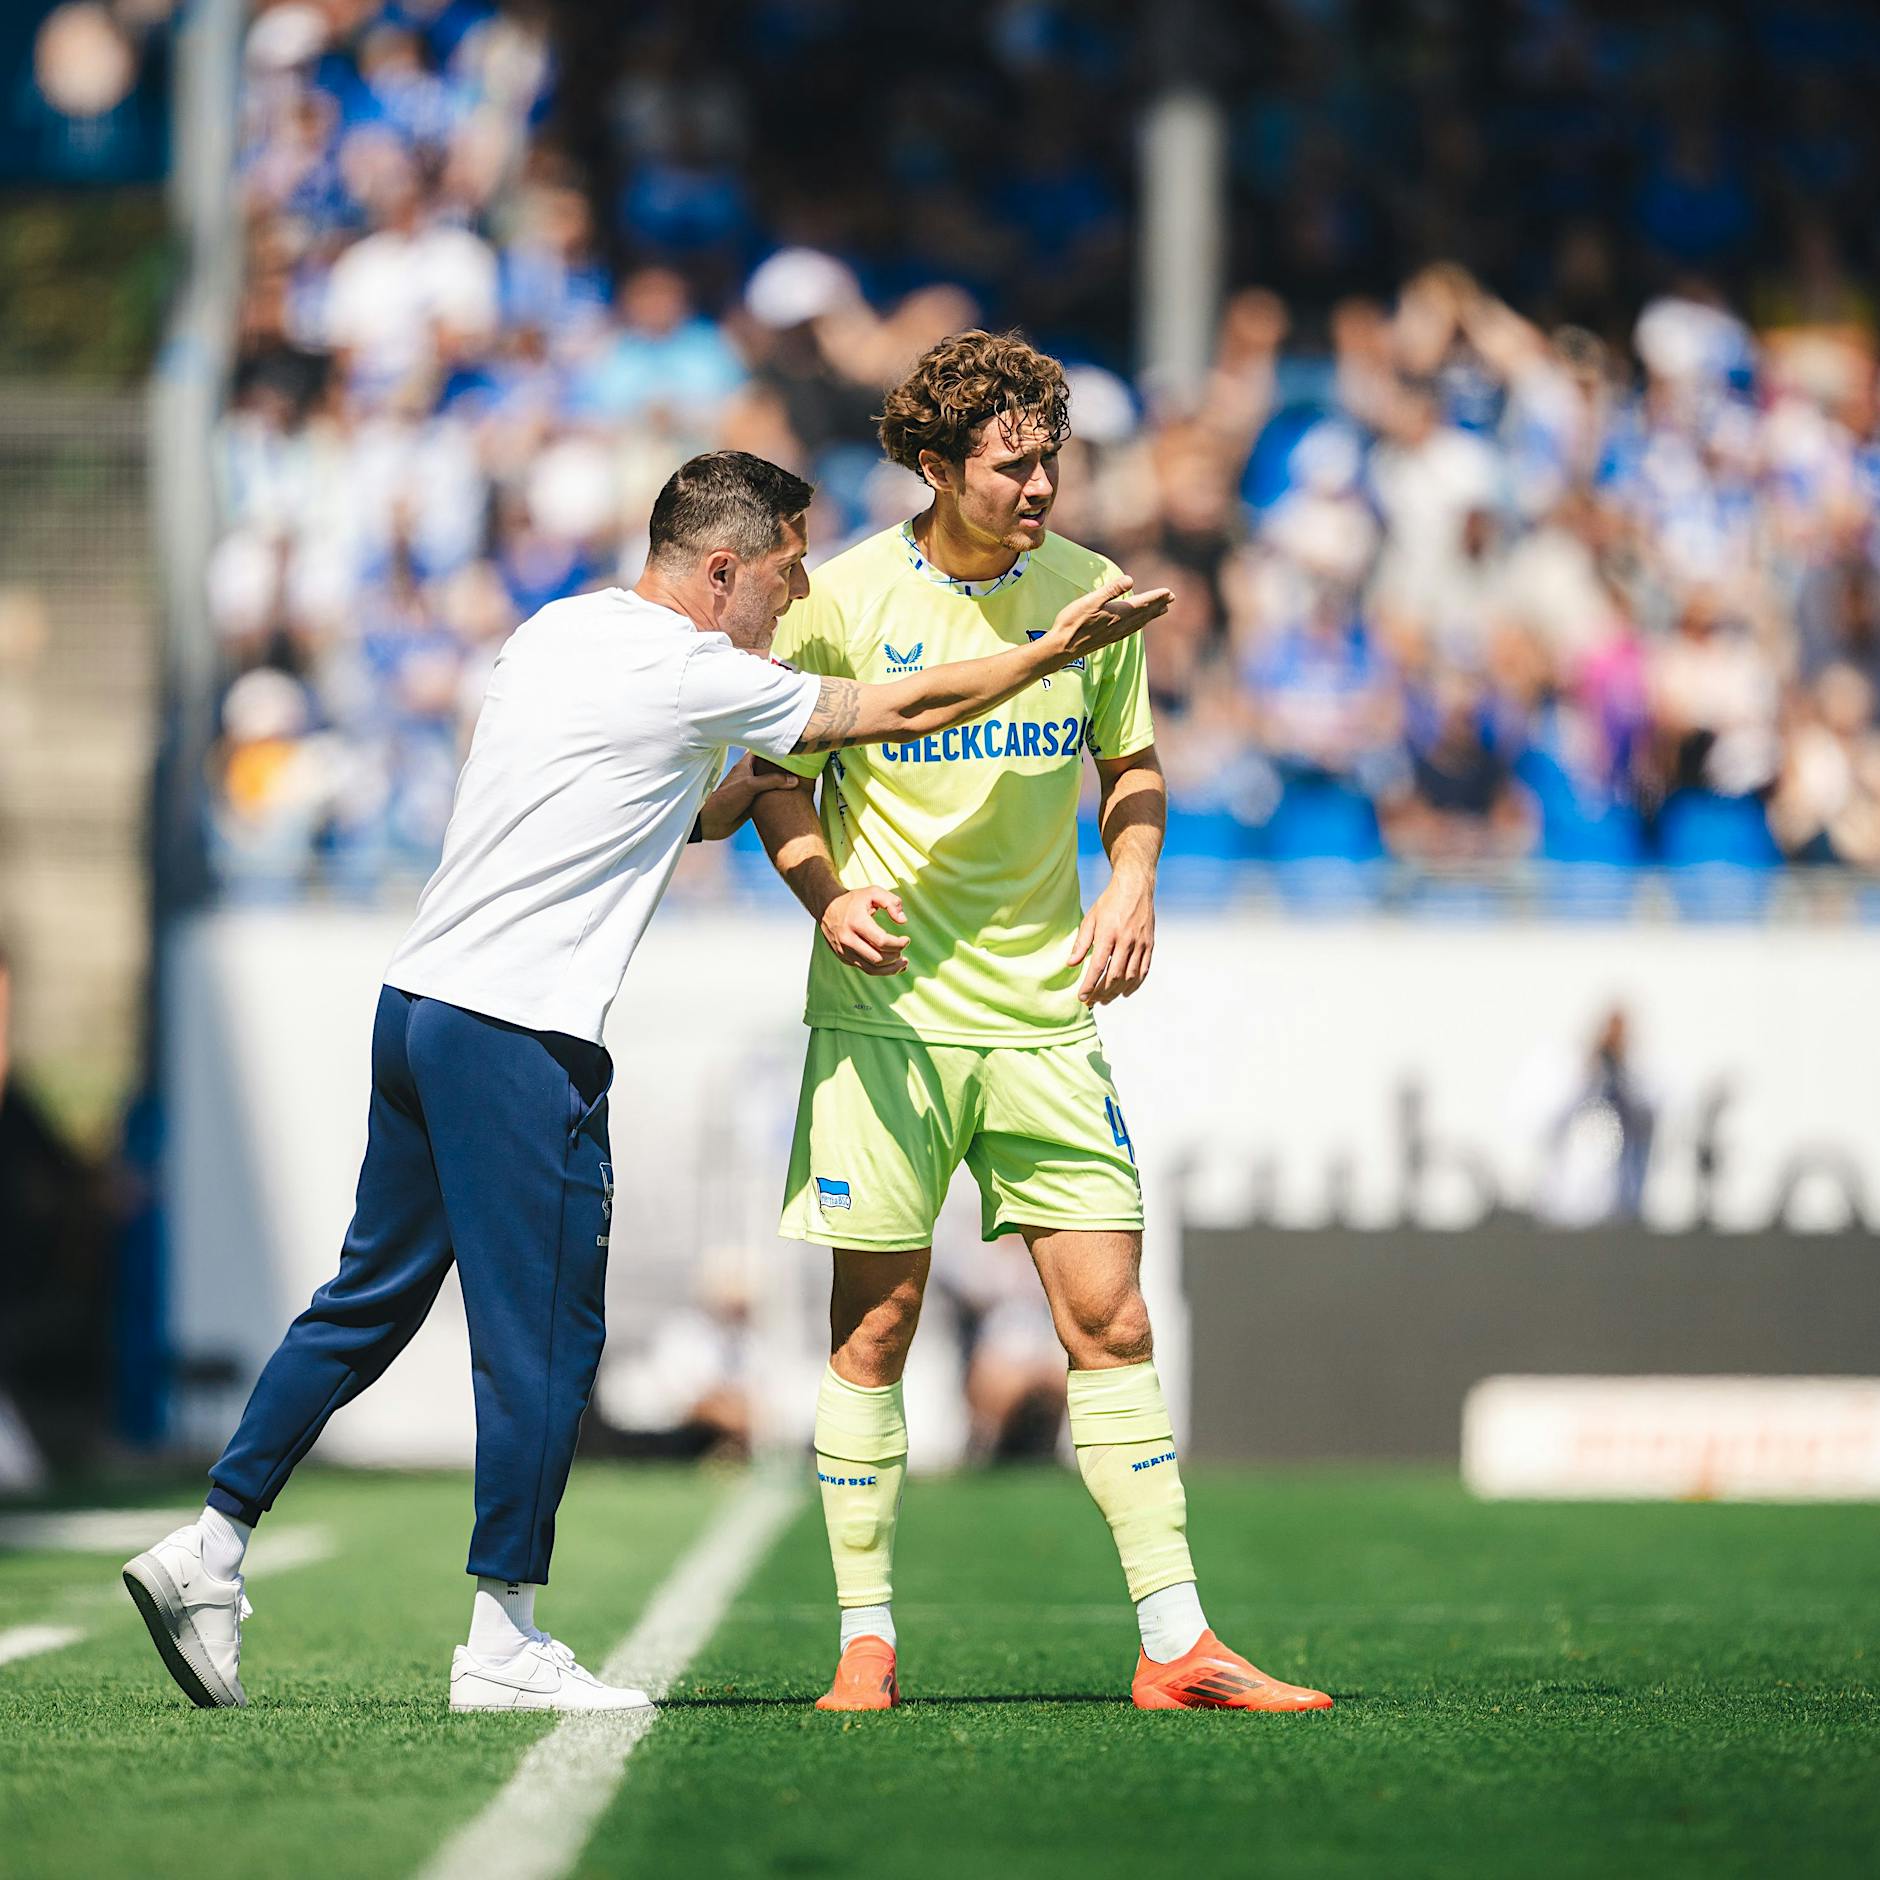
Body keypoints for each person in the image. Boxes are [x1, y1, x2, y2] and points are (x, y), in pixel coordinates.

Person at [123, 449, 1168, 1714]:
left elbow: (699, 805)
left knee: (366, 1299)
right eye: (781, 574)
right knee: (546, 1341)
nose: (791, 600)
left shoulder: (556, 633)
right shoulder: (692, 668)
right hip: (522, 1033)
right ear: (721, 568)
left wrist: (793, 781)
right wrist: (1052, 649)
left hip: (420, 1010)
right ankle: (501, 1639)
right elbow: (890, 712)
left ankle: (210, 1546)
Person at [751, 331, 1333, 1713]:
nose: (1041, 488)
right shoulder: (840, 601)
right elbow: (774, 781)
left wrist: (1132, 876)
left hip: (1041, 1022)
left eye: (1051, 460)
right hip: (883, 1024)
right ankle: (865, 1644)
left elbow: (1131, 768)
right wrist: (826, 895)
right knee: (874, 1337)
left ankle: (1178, 1644)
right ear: (938, 468)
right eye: (1013, 466)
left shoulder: (1093, 598)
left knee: (1112, 1320)